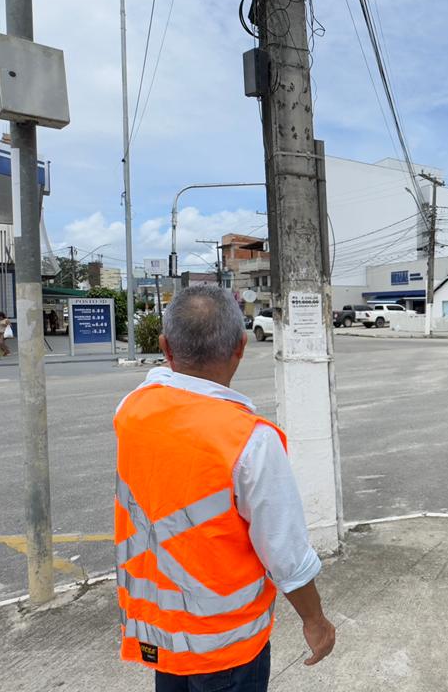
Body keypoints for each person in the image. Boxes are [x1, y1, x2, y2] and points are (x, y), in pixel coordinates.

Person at [113, 285, 336, 690]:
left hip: (159, 634)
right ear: (241, 347)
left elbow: (158, 381)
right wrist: (315, 620)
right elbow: (285, 553)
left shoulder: (132, 410)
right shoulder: (250, 439)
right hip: (227, 647)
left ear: (165, 346)